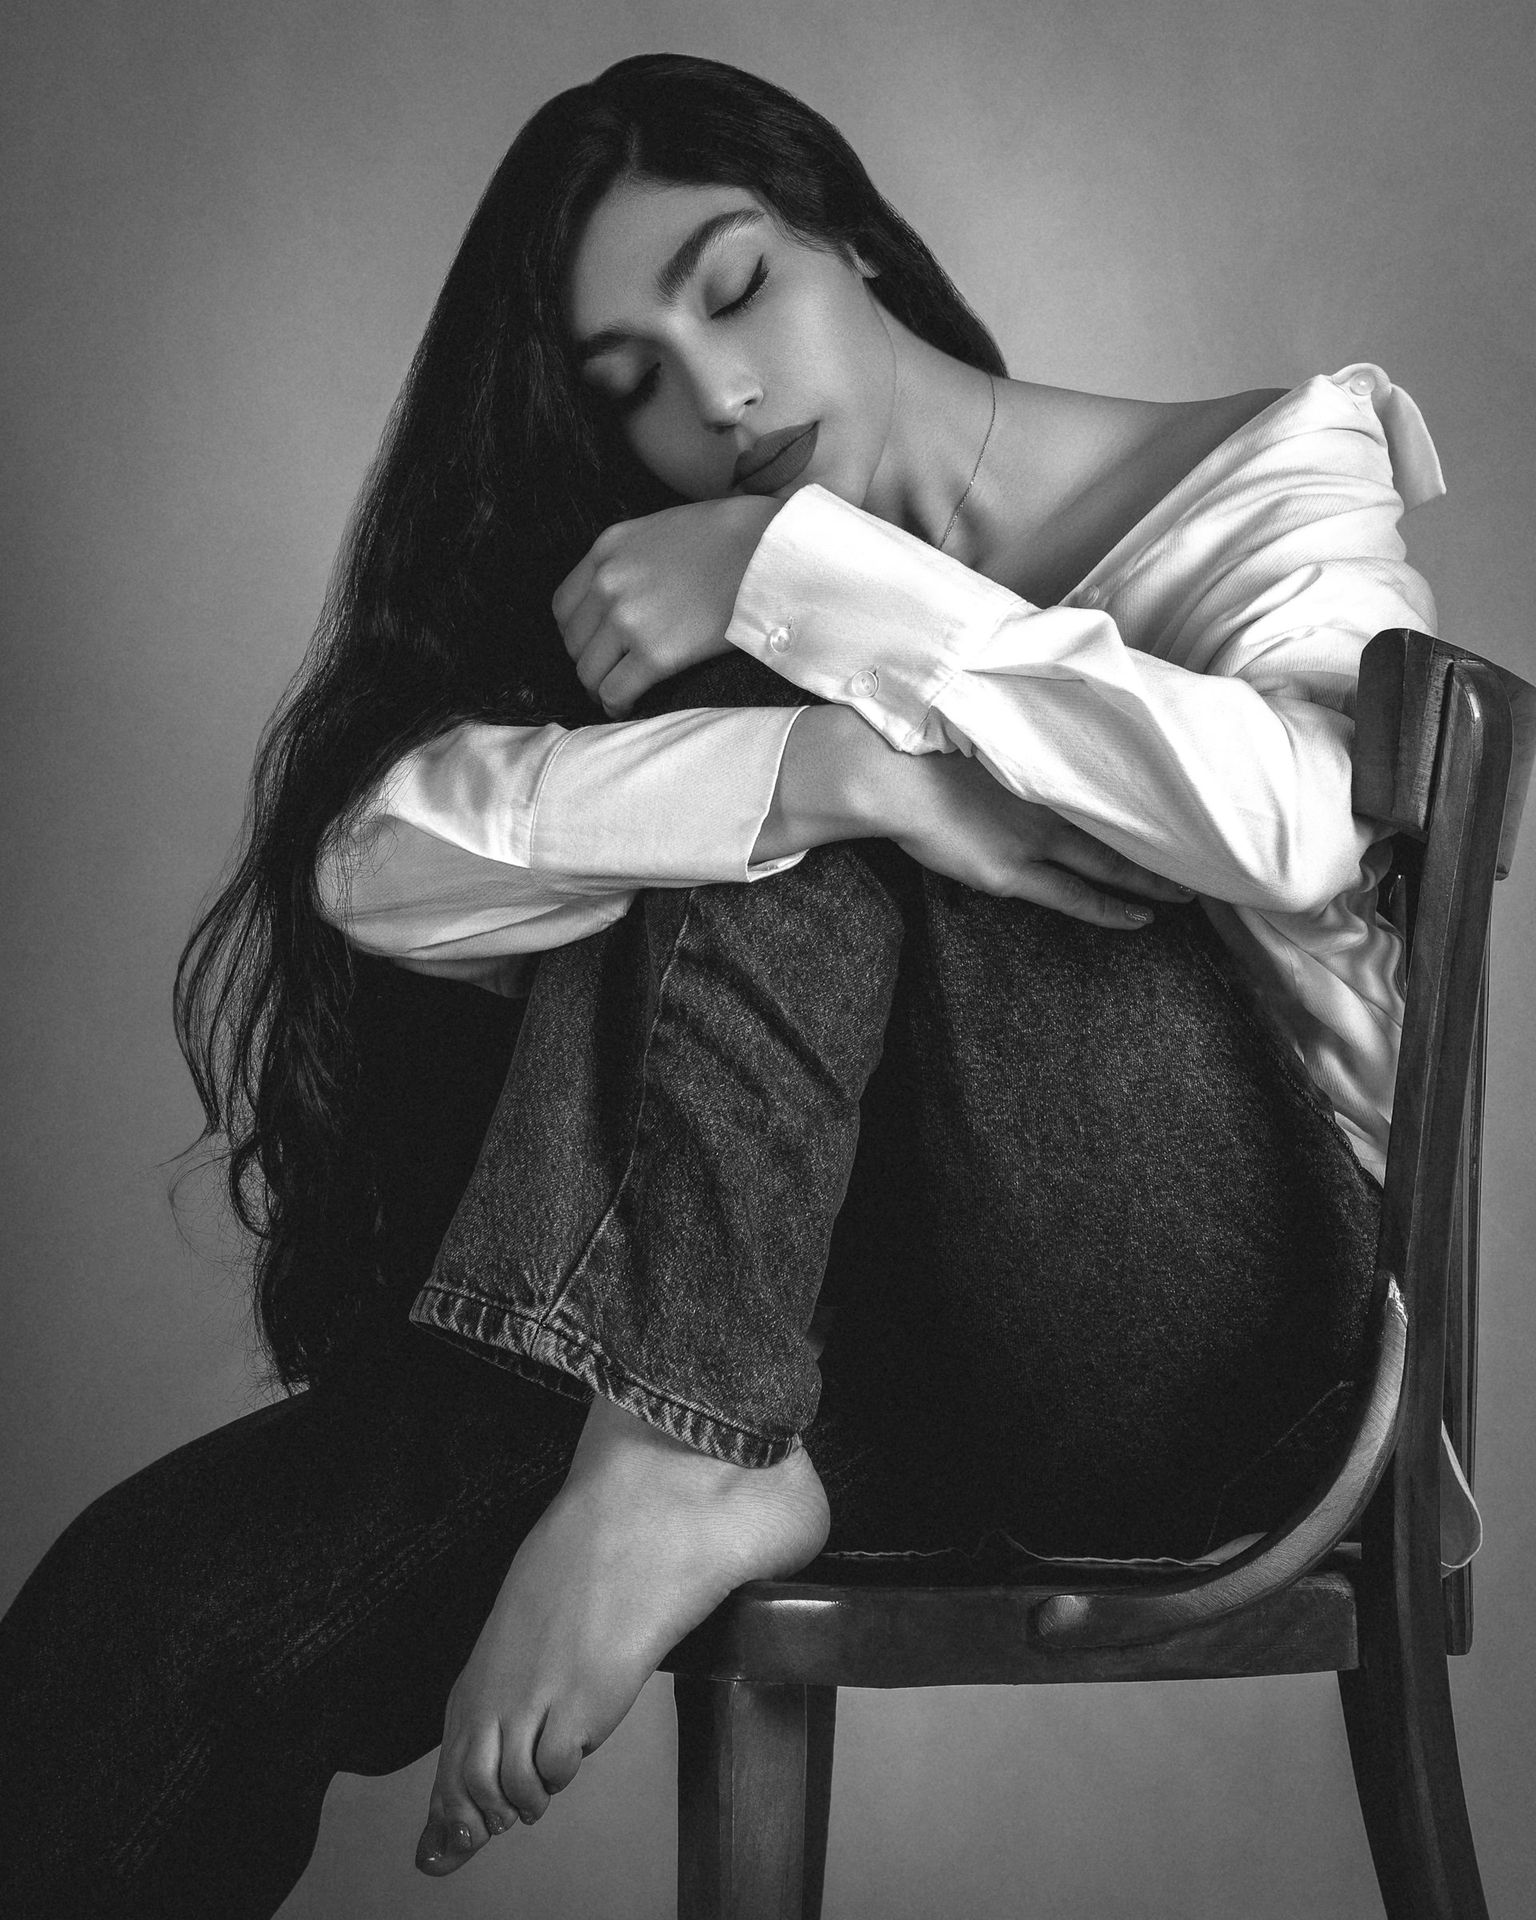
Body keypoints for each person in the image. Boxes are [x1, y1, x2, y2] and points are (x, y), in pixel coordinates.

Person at [0, 51, 1456, 1915]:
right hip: (827, 1346)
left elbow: (1296, 819)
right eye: (636, 390)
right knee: (152, 1620)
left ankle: (675, 1443)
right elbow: (377, 869)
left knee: (781, 703)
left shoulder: (1269, 470)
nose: (718, 396)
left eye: (735, 283)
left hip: (1221, 1355)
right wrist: (857, 780)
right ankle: (683, 1429)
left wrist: (803, 577)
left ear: (843, 228)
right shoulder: (706, 597)